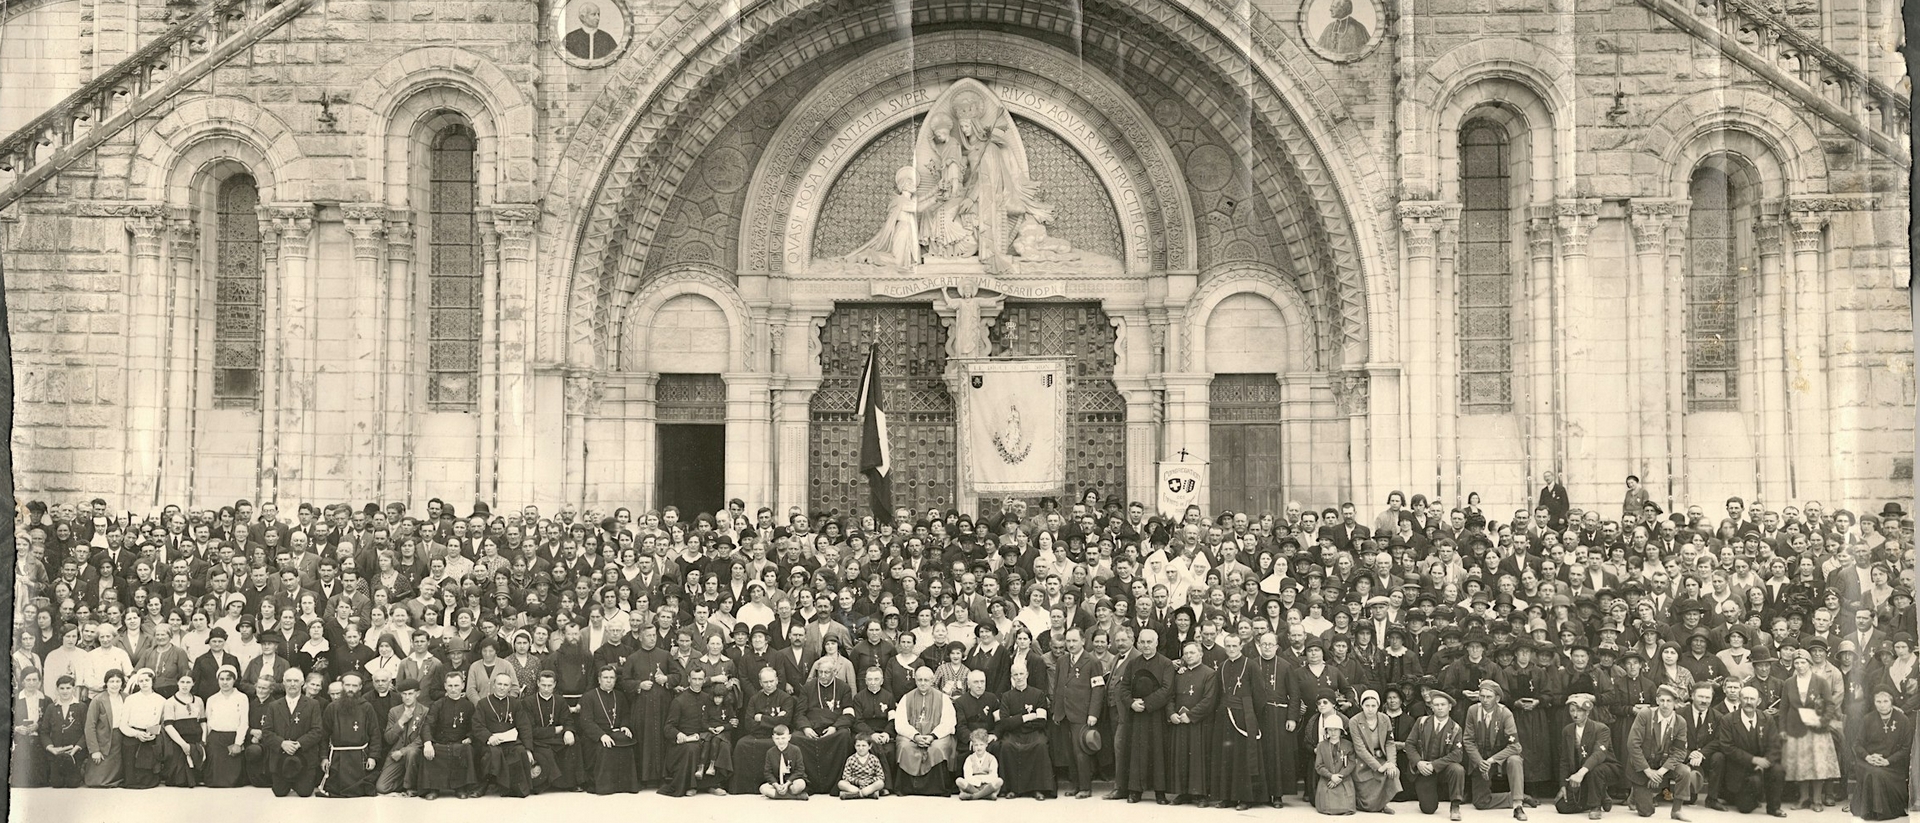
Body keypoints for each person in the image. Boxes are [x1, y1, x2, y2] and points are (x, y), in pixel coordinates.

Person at [1113, 627, 1174, 803]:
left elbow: (1166, 689)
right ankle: (1135, 790)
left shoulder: (1166, 663)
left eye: (1149, 642)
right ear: (1138, 643)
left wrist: (1146, 704)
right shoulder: (1133, 663)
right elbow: (1124, 688)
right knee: (1136, 752)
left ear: (1157, 643)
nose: (1146, 646)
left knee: (1158, 752)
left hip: (1157, 715)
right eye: (1143, 642)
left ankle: (1160, 792)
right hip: (1136, 715)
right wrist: (1132, 703)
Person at [1779, 647, 1840, 810]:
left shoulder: (1820, 681)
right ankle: (1804, 798)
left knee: (1817, 763)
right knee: (1801, 764)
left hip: (1817, 729)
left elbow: (1830, 704)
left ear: (1810, 664)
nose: (1799, 666)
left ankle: (1817, 799)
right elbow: (1783, 707)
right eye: (1796, 662)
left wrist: (1823, 721)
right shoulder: (1789, 683)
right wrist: (1782, 729)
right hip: (1796, 729)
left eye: (1803, 662)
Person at [1211, 632, 1266, 809]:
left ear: (1241, 646)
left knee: (1242, 758)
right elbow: (1218, 693)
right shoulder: (1222, 666)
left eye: (1235, 646)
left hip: (1244, 716)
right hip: (1225, 717)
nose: (1231, 649)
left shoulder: (1251, 666)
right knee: (1226, 756)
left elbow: (1259, 695)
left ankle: (1245, 798)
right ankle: (1228, 797)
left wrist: (1251, 715)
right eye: (1228, 646)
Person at [1713, 685, 1785, 817]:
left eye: (1752, 699)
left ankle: (1774, 807)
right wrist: (1753, 760)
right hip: (1739, 767)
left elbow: (1774, 745)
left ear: (1758, 702)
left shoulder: (1766, 719)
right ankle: (1746, 797)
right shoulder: (1728, 720)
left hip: (1762, 766)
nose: (1748, 702)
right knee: (1745, 808)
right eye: (1745, 698)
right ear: (1740, 700)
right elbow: (1727, 747)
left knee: (1778, 770)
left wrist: (1764, 762)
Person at [1626, 684, 1692, 820]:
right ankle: (1634, 795)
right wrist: (1648, 771)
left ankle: (1677, 810)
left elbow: (1679, 752)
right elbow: (1633, 744)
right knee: (1646, 812)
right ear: (1657, 701)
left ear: (1675, 703)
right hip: (1643, 766)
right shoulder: (1645, 715)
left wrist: (1660, 772)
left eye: (1669, 701)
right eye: (1662, 700)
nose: (1665, 705)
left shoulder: (1680, 722)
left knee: (1684, 771)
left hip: (1663, 766)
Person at [1464, 678, 1527, 819]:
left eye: (1489, 697)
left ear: (1497, 698)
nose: (1484, 700)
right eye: (1482, 696)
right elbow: (1468, 740)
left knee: (1515, 760)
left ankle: (1518, 805)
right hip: (1481, 758)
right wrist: (1480, 762)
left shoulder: (1506, 713)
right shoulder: (1473, 711)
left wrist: (1492, 760)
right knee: (1480, 802)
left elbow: (1515, 746)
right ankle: (1515, 796)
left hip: (1500, 758)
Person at [893, 665, 957, 795]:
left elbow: (949, 722)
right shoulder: (906, 698)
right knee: (905, 746)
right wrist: (915, 736)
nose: (923, 683)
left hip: (936, 737)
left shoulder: (943, 698)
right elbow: (900, 723)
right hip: (912, 737)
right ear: (915, 680)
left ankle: (937, 789)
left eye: (926, 680)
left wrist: (933, 736)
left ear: (932, 680)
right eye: (920, 680)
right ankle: (907, 788)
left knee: (938, 748)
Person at [1166, 640, 1216, 805]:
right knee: (1181, 757)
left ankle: (1201, 794)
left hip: (1198, 723)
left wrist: (1191, 715)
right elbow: (1170, 696)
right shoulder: (1179, 674)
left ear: (1200, 654)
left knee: (1198, 758)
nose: (1188, 656)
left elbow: (1209, 700)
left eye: (1192, 652)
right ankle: (1183, 793)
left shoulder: (1209, 674)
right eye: (1186, 653)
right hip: (1179, 722)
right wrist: (1171, 713)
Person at [1850, 687, 1912, 820]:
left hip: (1893, 765)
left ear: (1891, 702)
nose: (1882, 705)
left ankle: (1879, 812)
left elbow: (1906, 748)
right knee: (1874, 772)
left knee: (1877, 773)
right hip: (1870, 761)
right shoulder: (1868, 719)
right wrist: (1868, 757)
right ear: (1874, 702)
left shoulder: (1902, 720)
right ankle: (1871, 810)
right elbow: (1857, 744)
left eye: (1885, 701)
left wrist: (1887, 761)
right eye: (1878, 701)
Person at [994, 662, 1054, 799]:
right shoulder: (1006, 696)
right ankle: (1012, 789)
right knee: (1007, 746)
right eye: (1016, 674)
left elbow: (1041, 721)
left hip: (1034, 732)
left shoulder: (1038, 694)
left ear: (1027, 675)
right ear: (1011, 677)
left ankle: (1039, 789)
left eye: (1021, 674)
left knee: (1040, 746)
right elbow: (1003, 723)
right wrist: (1026, 718)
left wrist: (1014, 721)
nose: (1019, 677)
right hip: (1013, 734)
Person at [1555, 693, 1617, 819]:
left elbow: (1598, 755)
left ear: (1588, 712)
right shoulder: (1567, 730)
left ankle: (1595, 806)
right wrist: (1563, 786)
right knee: (1562, 806)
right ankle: (1600, 794)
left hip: (1604, 769)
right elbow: (1564, 760)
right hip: (1582, 773)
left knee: (1595, 769)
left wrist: (1580, 773)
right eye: (1572, 710)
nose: (1575, 714)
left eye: (1579, 711)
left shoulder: (1601, 729)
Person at [1406, 689, 1467, 820]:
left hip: (1443, 769)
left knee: (1458, 769)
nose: (1440, 708)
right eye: (1436, 705)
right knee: (1428, 809)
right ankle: (1433, 793)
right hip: (1424, 770)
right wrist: (1419, 762)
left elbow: (1457, 754)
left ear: (1449, 707)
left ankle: (1455, 806)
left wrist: (1434, 765)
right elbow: (1409, 744)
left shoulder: (1456, 728)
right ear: (1431, 707)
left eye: (1443, 705)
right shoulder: (1421, 722)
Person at [418, 670, 476, 799]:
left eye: (456, 685)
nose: (453, 689)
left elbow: (474, 727)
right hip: (441, 742)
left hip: (460, 743)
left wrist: (470, 737)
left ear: (462, 685)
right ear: (445, 686)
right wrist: (427, 743)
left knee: (466, 749)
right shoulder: (437, 704)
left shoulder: (469, 706)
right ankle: (434, 789)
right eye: (450, 686)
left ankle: (461, 788)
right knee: (432, 750)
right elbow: (427, 724)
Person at [580, 665, 638, 794]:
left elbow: (626, 714)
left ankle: (625, 786)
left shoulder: (620, 696)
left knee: (627, 745)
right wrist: (601, 735)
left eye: (612, 678)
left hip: (616, 732)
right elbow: (586, 722)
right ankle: (605, 787)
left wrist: (624, 726)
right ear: (599, 679)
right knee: (605, 747)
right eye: (605, 677)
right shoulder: (589, 696)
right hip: (596, 736)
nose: (609, 681)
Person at [522, 670, 583, 793]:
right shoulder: (528, 702)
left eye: (549, 686)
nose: (546, 689)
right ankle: (554, 784)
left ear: (555, 684)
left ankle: (573, 783)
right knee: (546, 752)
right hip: (538, 740)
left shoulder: (560, 701)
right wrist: (555, 729)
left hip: (555, 739)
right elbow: (531, 730)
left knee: (574, 743)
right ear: (538, 683)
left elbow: (568, 720)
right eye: (543, 685)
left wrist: (568, 731)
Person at [1349, 689, 1402, 813]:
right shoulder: (1354, 721)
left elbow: (1389, 742)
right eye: (1367, 706)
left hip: (1380, 756)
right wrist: (1379, 767)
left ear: (1378, 705)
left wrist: (1391, 763)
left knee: (1393, 772)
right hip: (1362, 760)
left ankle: (1383, 804)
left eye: (1373, 705)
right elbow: (1360, 748)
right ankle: (1370, 804)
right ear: (1361, 706)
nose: (1370, 709)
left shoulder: (1385, 719)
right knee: (1369, 806)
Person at [119, 668, 168, 789]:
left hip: (150, 736)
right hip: (133, 735)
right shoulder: (130, 699)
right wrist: (136, 734)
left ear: (152, 681)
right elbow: (123, 725)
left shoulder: (161, 700)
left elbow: (162, 722)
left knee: (148, 779)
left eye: (147, 680)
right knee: (131, 777)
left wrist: (152, 733)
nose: (144, 683)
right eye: (141, 681)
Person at [378, 677, 427, 795]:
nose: (407, 697)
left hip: (414, 754)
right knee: (382, 787)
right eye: (404, 694)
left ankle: (410, 787)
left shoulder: (425, 711)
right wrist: (401, 721)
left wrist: (403, 752)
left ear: (418, 694)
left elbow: (423, 738)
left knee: (412, 753)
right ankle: (408, 781)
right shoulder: (394, 711)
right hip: (396, 753)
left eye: (411, 693)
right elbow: (389, 739)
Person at [40, 674, 89, 788]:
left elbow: (87, 731)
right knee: (56, 784)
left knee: (73, 784)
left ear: (73, 688)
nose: (65, 691)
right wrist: (51, 748)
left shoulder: (81, 707)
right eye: (62, 688)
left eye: (68, 688)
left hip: (75, 753)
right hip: (57, 753)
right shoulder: (51, 708)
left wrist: (77, 748)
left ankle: (80, 773)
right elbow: (44, 732)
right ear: (57, 690)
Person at [158, 673, 204, 787]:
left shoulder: (198, 700)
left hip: (196, 740)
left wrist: (203, 740)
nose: (185, 685)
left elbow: (203, 722)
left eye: (188, 682)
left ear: (193, 684)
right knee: (180, 779)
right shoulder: (170, 702)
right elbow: (168, 726)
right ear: (177, 683)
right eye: (182, 682)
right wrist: (183, 744)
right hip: (178, 740)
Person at [1315, 712, 1358, 814]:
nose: (1333, 732)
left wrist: (1339, 777)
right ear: (1326, 731)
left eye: (1335, 729)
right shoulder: (1321, 746)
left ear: (1341, 731)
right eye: (1330, 729)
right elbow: (1319, 766)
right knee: (1326, 806)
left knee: (1347, 805)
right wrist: (1331, 776)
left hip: (1343, 779)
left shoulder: (1348, 745)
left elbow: (1351, 763)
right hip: (1327, 780)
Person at [761, 724, 808, 799]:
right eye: (777, 738)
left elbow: (800, 770)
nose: (780, 741)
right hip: (778, 783)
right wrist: (776, 785)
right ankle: (796, 797)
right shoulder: (770, 752)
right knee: (763, 789)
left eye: (783, 738)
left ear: (789, 737)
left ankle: (779, 796)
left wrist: (787, 784)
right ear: (773, 738)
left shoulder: (795, 750)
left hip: (792, 783)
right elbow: (768, 772)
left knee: (800, 784)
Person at [956, 727, 1002, 800]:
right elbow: (967, 777)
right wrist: (977, 781)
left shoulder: (992, 758)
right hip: (973, 785)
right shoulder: (969, 759)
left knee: (999, 781)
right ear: (973, 746)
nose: (979, 747)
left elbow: (993, 776)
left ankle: (973, 796)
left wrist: (981, 780)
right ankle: (987, 796)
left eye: (981, 744)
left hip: (987, 785)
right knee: (959, 780)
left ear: (986, 744)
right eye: (976, 745)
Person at [838, 733, 886, 798]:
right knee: (841, 783)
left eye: (864, 745)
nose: (861, 748)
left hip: (869, 786)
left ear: (870, 746)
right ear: (854, 746)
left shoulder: (874, 759)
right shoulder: (851, 759)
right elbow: (845, 776)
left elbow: (881, 776)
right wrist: (857, 782)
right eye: (858, 745)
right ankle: (867, 794)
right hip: (854, 786)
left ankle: (857, 794)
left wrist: (869, 781)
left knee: (880, 783)